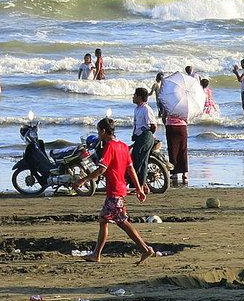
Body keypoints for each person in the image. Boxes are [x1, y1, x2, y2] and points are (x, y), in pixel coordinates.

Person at [76, 118, 155, 264]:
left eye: (99, 131)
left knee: (121, 222)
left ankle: (145, 249)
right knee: (104, 220)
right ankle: (96, 254)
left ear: (104, 131)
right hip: (120, 189)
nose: (98, 134)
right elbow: (130, 169)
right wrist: (138, 188)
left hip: (115, 191)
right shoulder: (123, 146)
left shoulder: (110, 146)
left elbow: (101, 169)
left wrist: (83, 180)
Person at [130, 87, 156, 187]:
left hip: (145, 136)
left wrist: (147, 135)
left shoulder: (146, 109)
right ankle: (139, 184)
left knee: (140, 160)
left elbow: (153, 125)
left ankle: (140, 184)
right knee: (136, 158)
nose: (133, 97)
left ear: (139, 97)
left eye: (135, 95)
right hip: (139, 137)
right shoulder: (137, 109)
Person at [164, 103, 189, 187]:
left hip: (171, 126)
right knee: (183, 150)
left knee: (172, 150)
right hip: (182, 127)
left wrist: (166, 123)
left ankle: (174, 173)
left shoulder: (168, 102)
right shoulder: (185, 104)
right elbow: (187, 118)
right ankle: (184, 173)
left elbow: (164, 116)